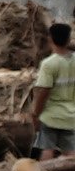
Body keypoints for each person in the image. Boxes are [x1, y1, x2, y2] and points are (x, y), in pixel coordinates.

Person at [37, 22, 75, 157]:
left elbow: (43, 92)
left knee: (47, 149)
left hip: (51, 116)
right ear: (69, 39)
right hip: (70, 115)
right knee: (71, 152)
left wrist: (35, 113)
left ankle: (44, 170)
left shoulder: (48, 64)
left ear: (50, 39)